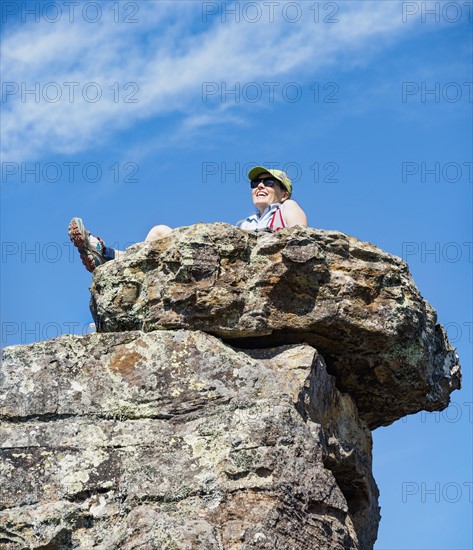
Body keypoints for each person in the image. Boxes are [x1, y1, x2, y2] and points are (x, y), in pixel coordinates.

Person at [69, 165, 308, 273]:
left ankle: (107, 256)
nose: (260, 186)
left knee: (162, 237)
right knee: (158, 232)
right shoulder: (246, 223)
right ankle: (110, 256)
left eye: (268, 183)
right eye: (255, 183)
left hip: (246, 269)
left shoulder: (286, 206)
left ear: (283, 192)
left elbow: (300, 238)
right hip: (223, 265)